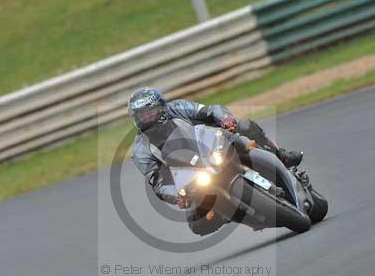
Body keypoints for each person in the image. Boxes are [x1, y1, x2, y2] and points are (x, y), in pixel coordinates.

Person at [128, 87, 304, 235]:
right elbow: (158, 183)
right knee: (197, 224)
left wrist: (225, 118)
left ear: (161, 108)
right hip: (192, 179)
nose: (147, 119)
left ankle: (281, 156)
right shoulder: (140, 151)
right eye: (142, 116)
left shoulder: (178, 108)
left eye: (150, 113)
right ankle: (230, 211)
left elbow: (210, 110)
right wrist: (177, 197)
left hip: (214, 146)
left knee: (245, 126)